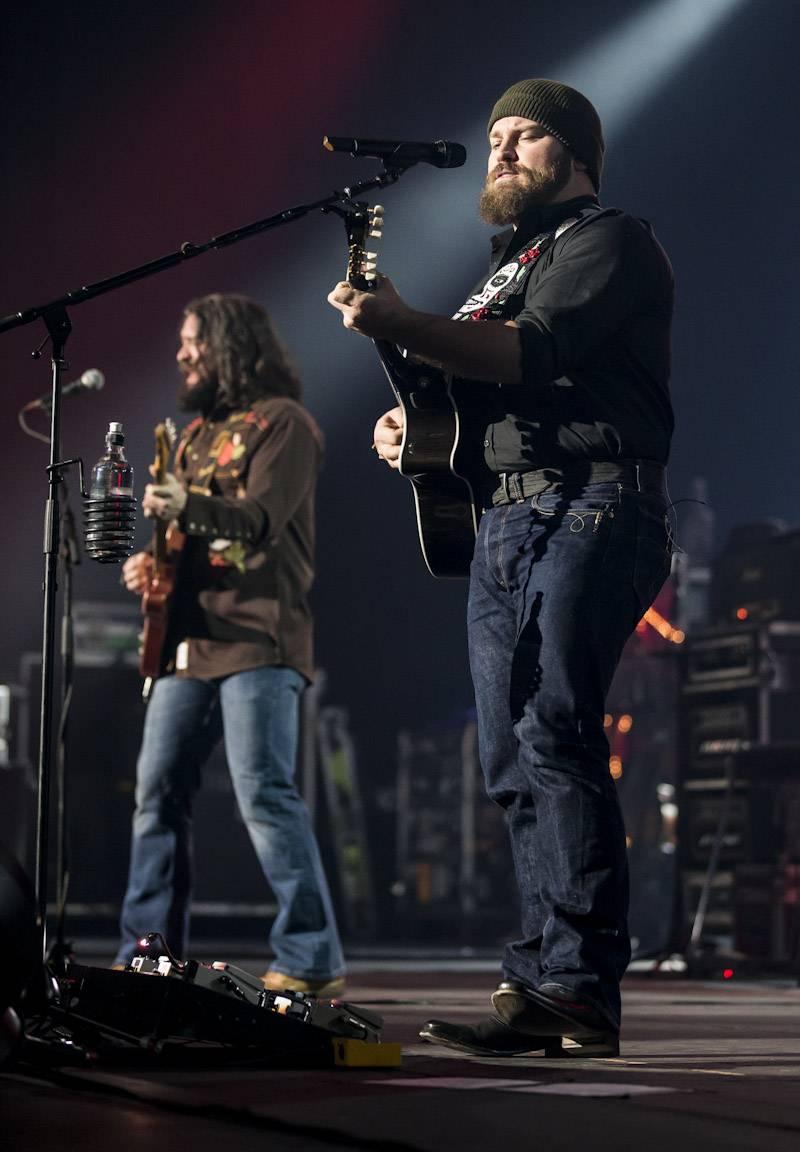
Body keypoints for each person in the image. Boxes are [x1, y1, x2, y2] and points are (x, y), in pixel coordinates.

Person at [328, 79, 674, 1055]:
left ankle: (579, 985)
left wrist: (400, 322)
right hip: (507, 524)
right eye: (493, 137)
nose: (502, 150)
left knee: (554, 729)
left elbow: (531, 355)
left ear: (575, 153)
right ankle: (539, 982)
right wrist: (415, 430)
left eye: (524, 134)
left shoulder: (609, 240)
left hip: (593, 503)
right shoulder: (506, 265)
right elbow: (476, 387)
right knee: (510, 757)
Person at [113, 293, 345, 997]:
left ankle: (310, 957)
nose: (182, 353)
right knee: (155, 797)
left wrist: (187, 506)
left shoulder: (285, 424)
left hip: (257, 639)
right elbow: (181, 542)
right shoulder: (191, 436)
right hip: (186, 642)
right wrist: (152, 567)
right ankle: (147, 953)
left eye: (195, 341)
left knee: (265, 794)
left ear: (231, 345)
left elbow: (263, 519)